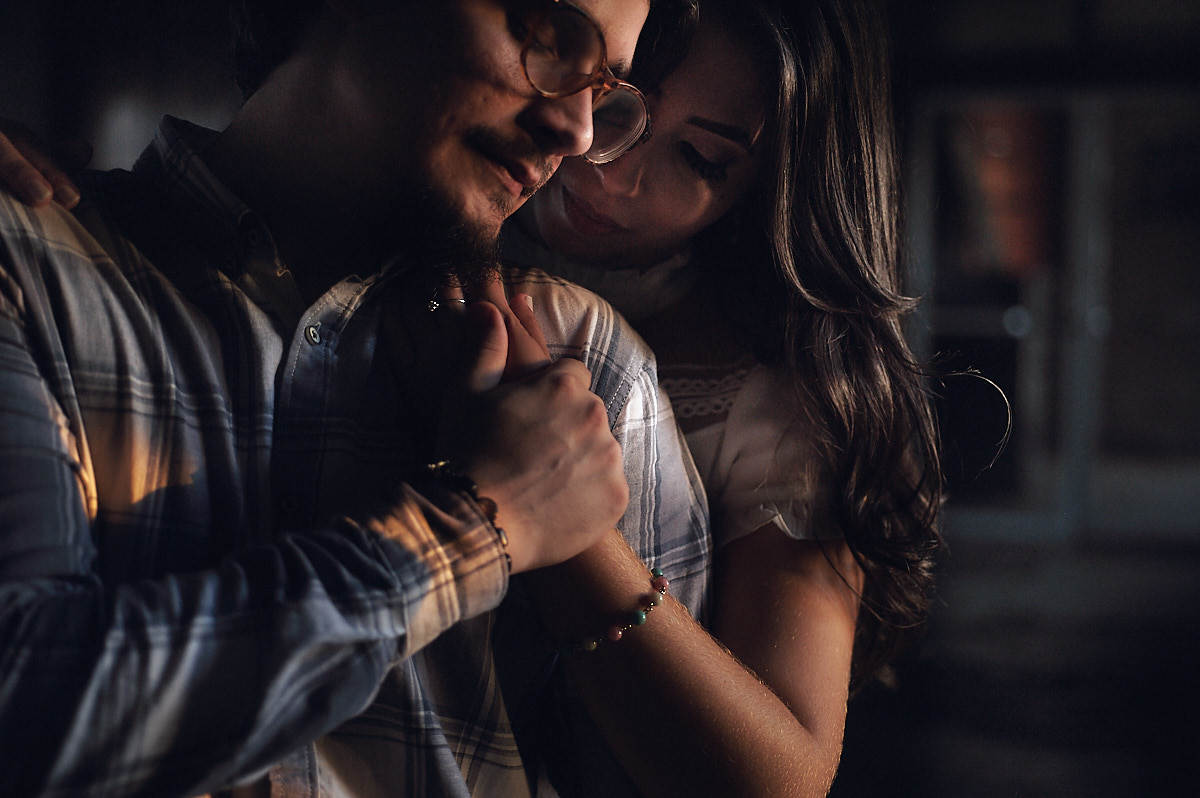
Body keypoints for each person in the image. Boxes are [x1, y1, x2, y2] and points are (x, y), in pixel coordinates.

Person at [3, 0, 944, 794]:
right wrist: (491, 521)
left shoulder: (603, 372)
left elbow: (744, 771)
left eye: (606, 92)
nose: (589, 145)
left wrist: (571, 538)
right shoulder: (39, 264)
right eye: (549, 35)